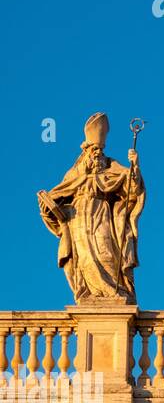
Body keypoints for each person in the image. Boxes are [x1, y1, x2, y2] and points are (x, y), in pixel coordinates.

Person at [37, 113, 145, 303]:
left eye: (98, 150)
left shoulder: (112, 167)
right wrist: (48, 206)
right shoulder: (75, 174)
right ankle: (90, 294)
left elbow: (133, 190)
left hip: (102, 214)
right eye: (92, 150)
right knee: (84, 259)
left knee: (106, 253)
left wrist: (134, 166)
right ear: (85, 153)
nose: (96, 154)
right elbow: (59, 194)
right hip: (78, 219)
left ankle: (114, 291)